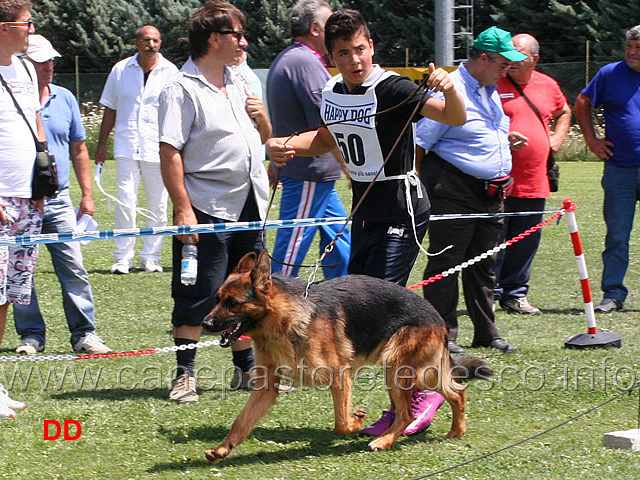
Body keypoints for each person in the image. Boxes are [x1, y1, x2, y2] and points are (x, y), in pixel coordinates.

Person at [267, 9, 466, 438]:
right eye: (343, 53)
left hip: (402, 207)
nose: (354, 59)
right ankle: (430, 378)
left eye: (360, 49)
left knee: (375, 302)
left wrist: (451, 89)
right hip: (364, 209)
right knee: (360, 303)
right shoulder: (332, 90)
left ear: (370, 46)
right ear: (331, 55)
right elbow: (326, 137)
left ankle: (419, 396)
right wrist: (284, 145)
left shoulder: (391, 86)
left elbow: (454, 117)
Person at [158, 1, 271, 403]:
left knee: (246, 290)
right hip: (205, 204)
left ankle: (246, 371)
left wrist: (263, 119)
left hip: (250, 203)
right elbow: (169, 151)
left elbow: (263, 137)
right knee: (199, 290)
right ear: (213, 39)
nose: (244, 42)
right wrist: (183, 209)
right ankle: (184, 375)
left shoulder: (243, 80)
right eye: (236, 35)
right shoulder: (180, 88)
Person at [416, 26, 524, 355]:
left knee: (484, 263)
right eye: (503, 64)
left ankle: (486, 332)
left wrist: (505, 144)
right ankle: (443, 335)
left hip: (490, 192)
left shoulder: (489, 88)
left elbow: (480, 133)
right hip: (452, 187)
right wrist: (417, 190)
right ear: (482, 58)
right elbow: (421, 142)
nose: (508, 71)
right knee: (447, 263)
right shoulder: (451, 89)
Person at [12, 35, 111, 355]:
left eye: (52, 60)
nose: (50, 66)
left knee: (74, 267)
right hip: (19, 201)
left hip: (59, 200)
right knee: (21, 273)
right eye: (42, 61)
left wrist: (87, 195)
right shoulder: (9, 97)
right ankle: (30, 336)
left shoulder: (65, 98)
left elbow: (79, 149)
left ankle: (85, 334)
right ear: (24, 63)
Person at [267, 0, 351, 278]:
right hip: (308, 174)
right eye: (331, 26)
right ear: (316, 28)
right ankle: (272, 308)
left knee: (342, 246)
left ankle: (346, 302)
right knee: (290, 252)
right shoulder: (305, 62)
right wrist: (349, 165)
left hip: (314, 176)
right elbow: (329, 123)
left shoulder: (291, 58)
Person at [494, 33, 571, 315]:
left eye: (520, 55)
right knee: (494, 241)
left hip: (534, 180)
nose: (512, 61)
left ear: (534, 59)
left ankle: (515, 294)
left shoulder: (548, 85)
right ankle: (490, 293)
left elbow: (564, 111)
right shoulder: (494, 82)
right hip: (499, 178)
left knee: (525, 241)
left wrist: (556, 140)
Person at [95, 25, 178, 275]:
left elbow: (177, 111)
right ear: (136, 42)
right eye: (145, 40)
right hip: (127, 145)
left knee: (158, 204)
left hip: (158, 147)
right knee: (125, 202)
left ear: (160, 43)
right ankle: (123, 257)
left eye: (154, 40)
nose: (150, 44)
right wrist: (101, 144)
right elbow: (110, 108)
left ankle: (151, 257)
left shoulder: (171, 72)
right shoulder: (120, 70)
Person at [575, 25, 640, 314]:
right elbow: (583, 101)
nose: (632, 52)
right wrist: (591, 139)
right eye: (629, 46)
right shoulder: (610, 74)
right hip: (619, 170)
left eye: (638, 48)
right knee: (617, 235)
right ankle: (613, 295)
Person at [0, 0, 40, 417]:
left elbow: (35, 121)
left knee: (9, 295)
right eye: (26, 23)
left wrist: (40, 176)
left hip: (27, 198)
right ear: (3, 27)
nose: (31, 29)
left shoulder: (26, 67)